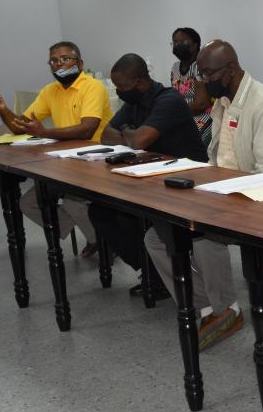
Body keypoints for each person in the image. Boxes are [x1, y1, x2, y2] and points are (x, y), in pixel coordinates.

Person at [145, 39, 263, 351]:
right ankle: (204, 308)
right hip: (226, 192)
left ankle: (227, 309)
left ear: (230, 70)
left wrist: (220, 196)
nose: (203, 82)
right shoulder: (223, 103)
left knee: (203, 234)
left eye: (208, 75)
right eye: (201, 74)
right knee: (155, 235)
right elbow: (216, 158)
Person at [91, 54, 217, 305]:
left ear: (139, 82)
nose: (119, 92)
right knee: (101, 211)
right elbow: (106, 134)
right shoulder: (133, 102)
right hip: (152, 174)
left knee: (133, 216)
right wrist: (131, 134)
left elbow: (140, 141)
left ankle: (159, 274)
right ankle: (151, 272)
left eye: (122, 87)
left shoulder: (168, 100)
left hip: (187, 179)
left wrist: (128, 134)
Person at [0, 41, 112, 258]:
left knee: (73, 202)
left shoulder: (92, 86)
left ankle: (105, 243)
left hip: (96, 158)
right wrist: (2, 109)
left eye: (65, 59)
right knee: (29, 203)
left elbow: (87, 130)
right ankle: (94, 236)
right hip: (64, 160)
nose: (59, 64)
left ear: (79, 63)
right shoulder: (50, 91)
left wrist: (44, 133)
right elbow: (18, 126)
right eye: (53, 60)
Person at [170, 27, 213, 138]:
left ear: (195, 45)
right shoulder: (175, 67)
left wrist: (176, 110)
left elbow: (201, 104)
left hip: (203, 116)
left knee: (183, 137)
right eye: (175, 43)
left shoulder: (201, 66)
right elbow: (174, 97)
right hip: (182, 115)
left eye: (183, 42)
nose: (178, 45)